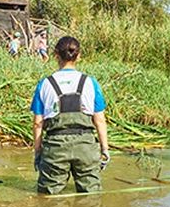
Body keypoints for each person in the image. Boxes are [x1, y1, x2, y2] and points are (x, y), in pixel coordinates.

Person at [30, 36, 110, 194]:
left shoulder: (45, 84)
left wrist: (38, 151)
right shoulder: (90, 82)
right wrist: (105, 149)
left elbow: (38, 123)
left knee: (48, 198)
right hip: (86, 146)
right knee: (91, 197)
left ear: (56, 55)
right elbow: (100, 120)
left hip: (56, 147)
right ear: (78, 56)